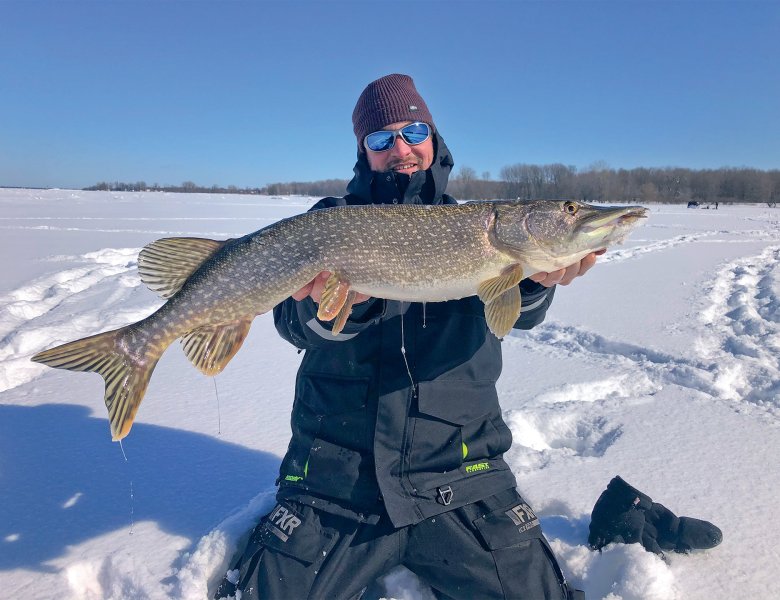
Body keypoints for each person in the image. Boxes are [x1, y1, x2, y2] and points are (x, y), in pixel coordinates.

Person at [216, 74, 599, 600]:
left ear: (433, 137)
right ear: (363, 152)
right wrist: (345, 310)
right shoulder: (330, 222)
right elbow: (289, 323)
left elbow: (514, 316)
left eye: (413, 130)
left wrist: (532, 283)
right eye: (380, 138)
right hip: (335, 478)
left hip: (463, 472)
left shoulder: (477, 227)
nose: (400, 148)